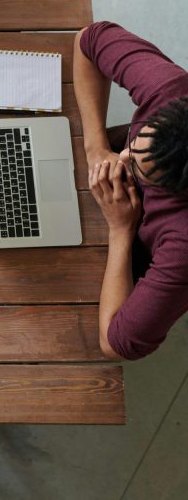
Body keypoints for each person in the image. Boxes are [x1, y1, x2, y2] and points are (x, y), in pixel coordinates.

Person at [73, 21, 188, 361]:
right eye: (135, 145)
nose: (123, 157)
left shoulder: (182, 244)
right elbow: (88, 39)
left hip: (129, 239)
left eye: (138, 169)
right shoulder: (171, 89)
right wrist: (96, 148)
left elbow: (116, 343)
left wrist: (121, 229)